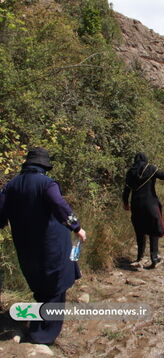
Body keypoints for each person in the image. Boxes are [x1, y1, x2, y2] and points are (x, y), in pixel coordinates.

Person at [0, 147, 87, 345]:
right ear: (43, 166)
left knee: (40, 287)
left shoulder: (10, 186)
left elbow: (0, 215)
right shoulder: (47, 184)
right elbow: (60, 205)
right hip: (51, 246)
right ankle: (43, 336)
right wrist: (77, 227)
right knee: (56, 288)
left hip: (25, 247)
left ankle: (37, 325)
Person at [123, 153, 164, 269]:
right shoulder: (151, 168)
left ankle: (139, 258)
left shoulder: (130, 172)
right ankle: (154, 258)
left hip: (136, 205)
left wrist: (125, 203)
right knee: (153, 231)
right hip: (150, 204)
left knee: (139, 231)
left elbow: (126, 190)